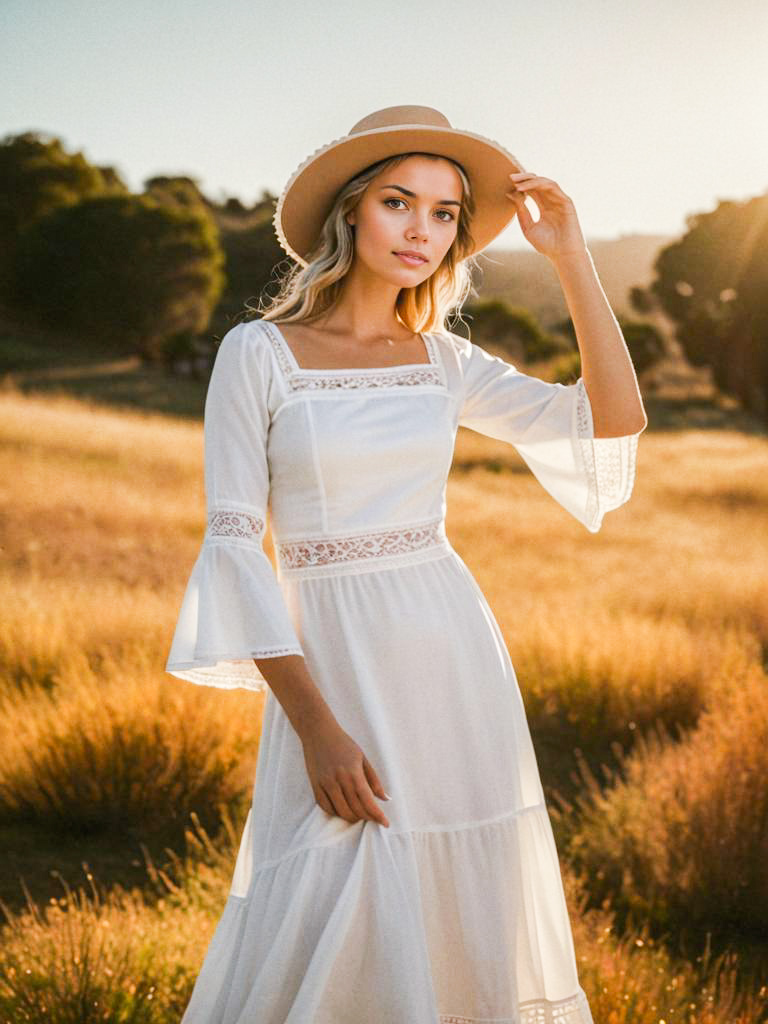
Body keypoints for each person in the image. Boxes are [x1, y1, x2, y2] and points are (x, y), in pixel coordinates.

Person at [165, 104, 647, 1023]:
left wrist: (573, 259)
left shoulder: (444, 361)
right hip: (333, 674)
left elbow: (612, 420)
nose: (422, 229)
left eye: (443, 213)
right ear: (352, 212)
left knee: (457, 899)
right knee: (335, 888)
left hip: (453, 662)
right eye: (399, 202)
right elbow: (234, 548)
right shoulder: (257, 354)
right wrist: (315, 728)